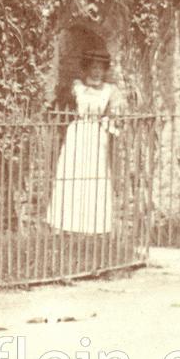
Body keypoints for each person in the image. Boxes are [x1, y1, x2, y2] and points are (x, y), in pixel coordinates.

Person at [47, 53, 117, 234]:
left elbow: (112, 114)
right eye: (93, 67)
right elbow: (62, 108)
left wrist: (110, 124)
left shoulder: (109, 90)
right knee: (72, 175)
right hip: (77, 134)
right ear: (87, 68)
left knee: (95, 177)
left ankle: (94, 227)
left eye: (100, 69)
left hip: (97, 135)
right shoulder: (76, 88)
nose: (97, 72)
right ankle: (65, 224)